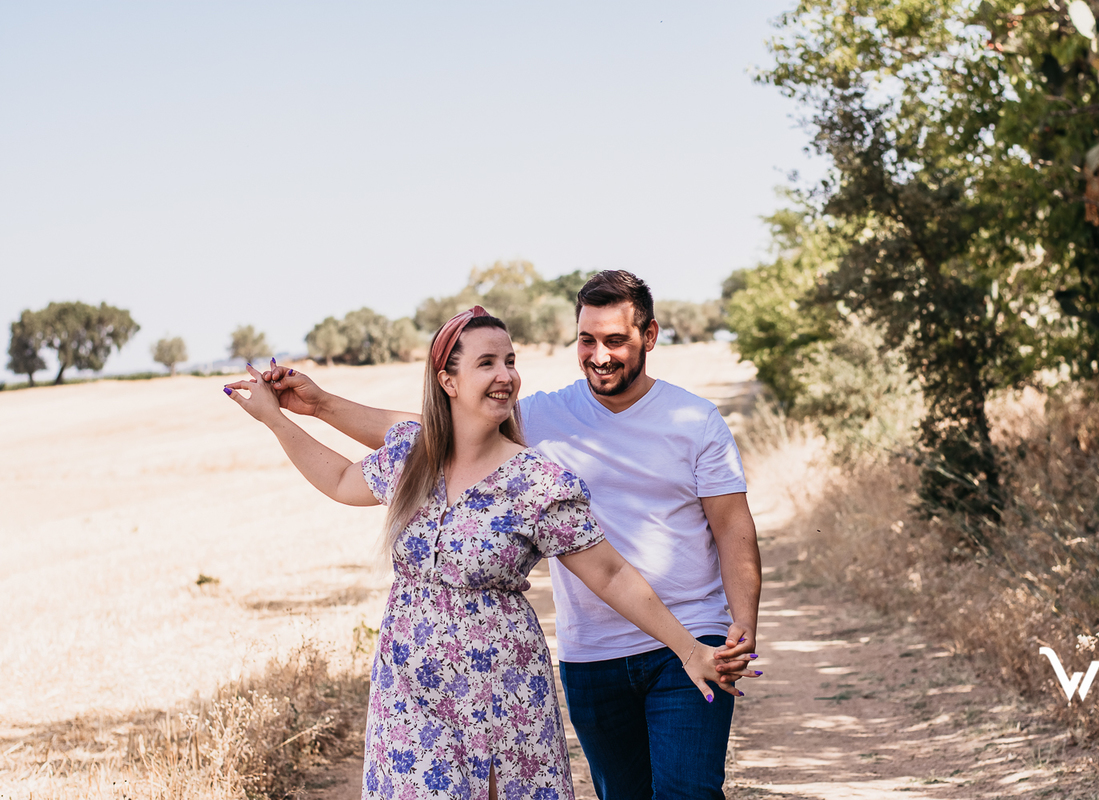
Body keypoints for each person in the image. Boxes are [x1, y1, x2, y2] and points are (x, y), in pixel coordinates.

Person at [261, 271, 762, 799]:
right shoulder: (540, 416)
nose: (599, 354)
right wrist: (315, 406)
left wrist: (733, 635)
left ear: (650, 336)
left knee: (687, 792)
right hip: (583, 651)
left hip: (679, 630)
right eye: (587, 339)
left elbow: (728, 533)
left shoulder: (689, 421)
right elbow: (433, 429)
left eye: (615, 340)